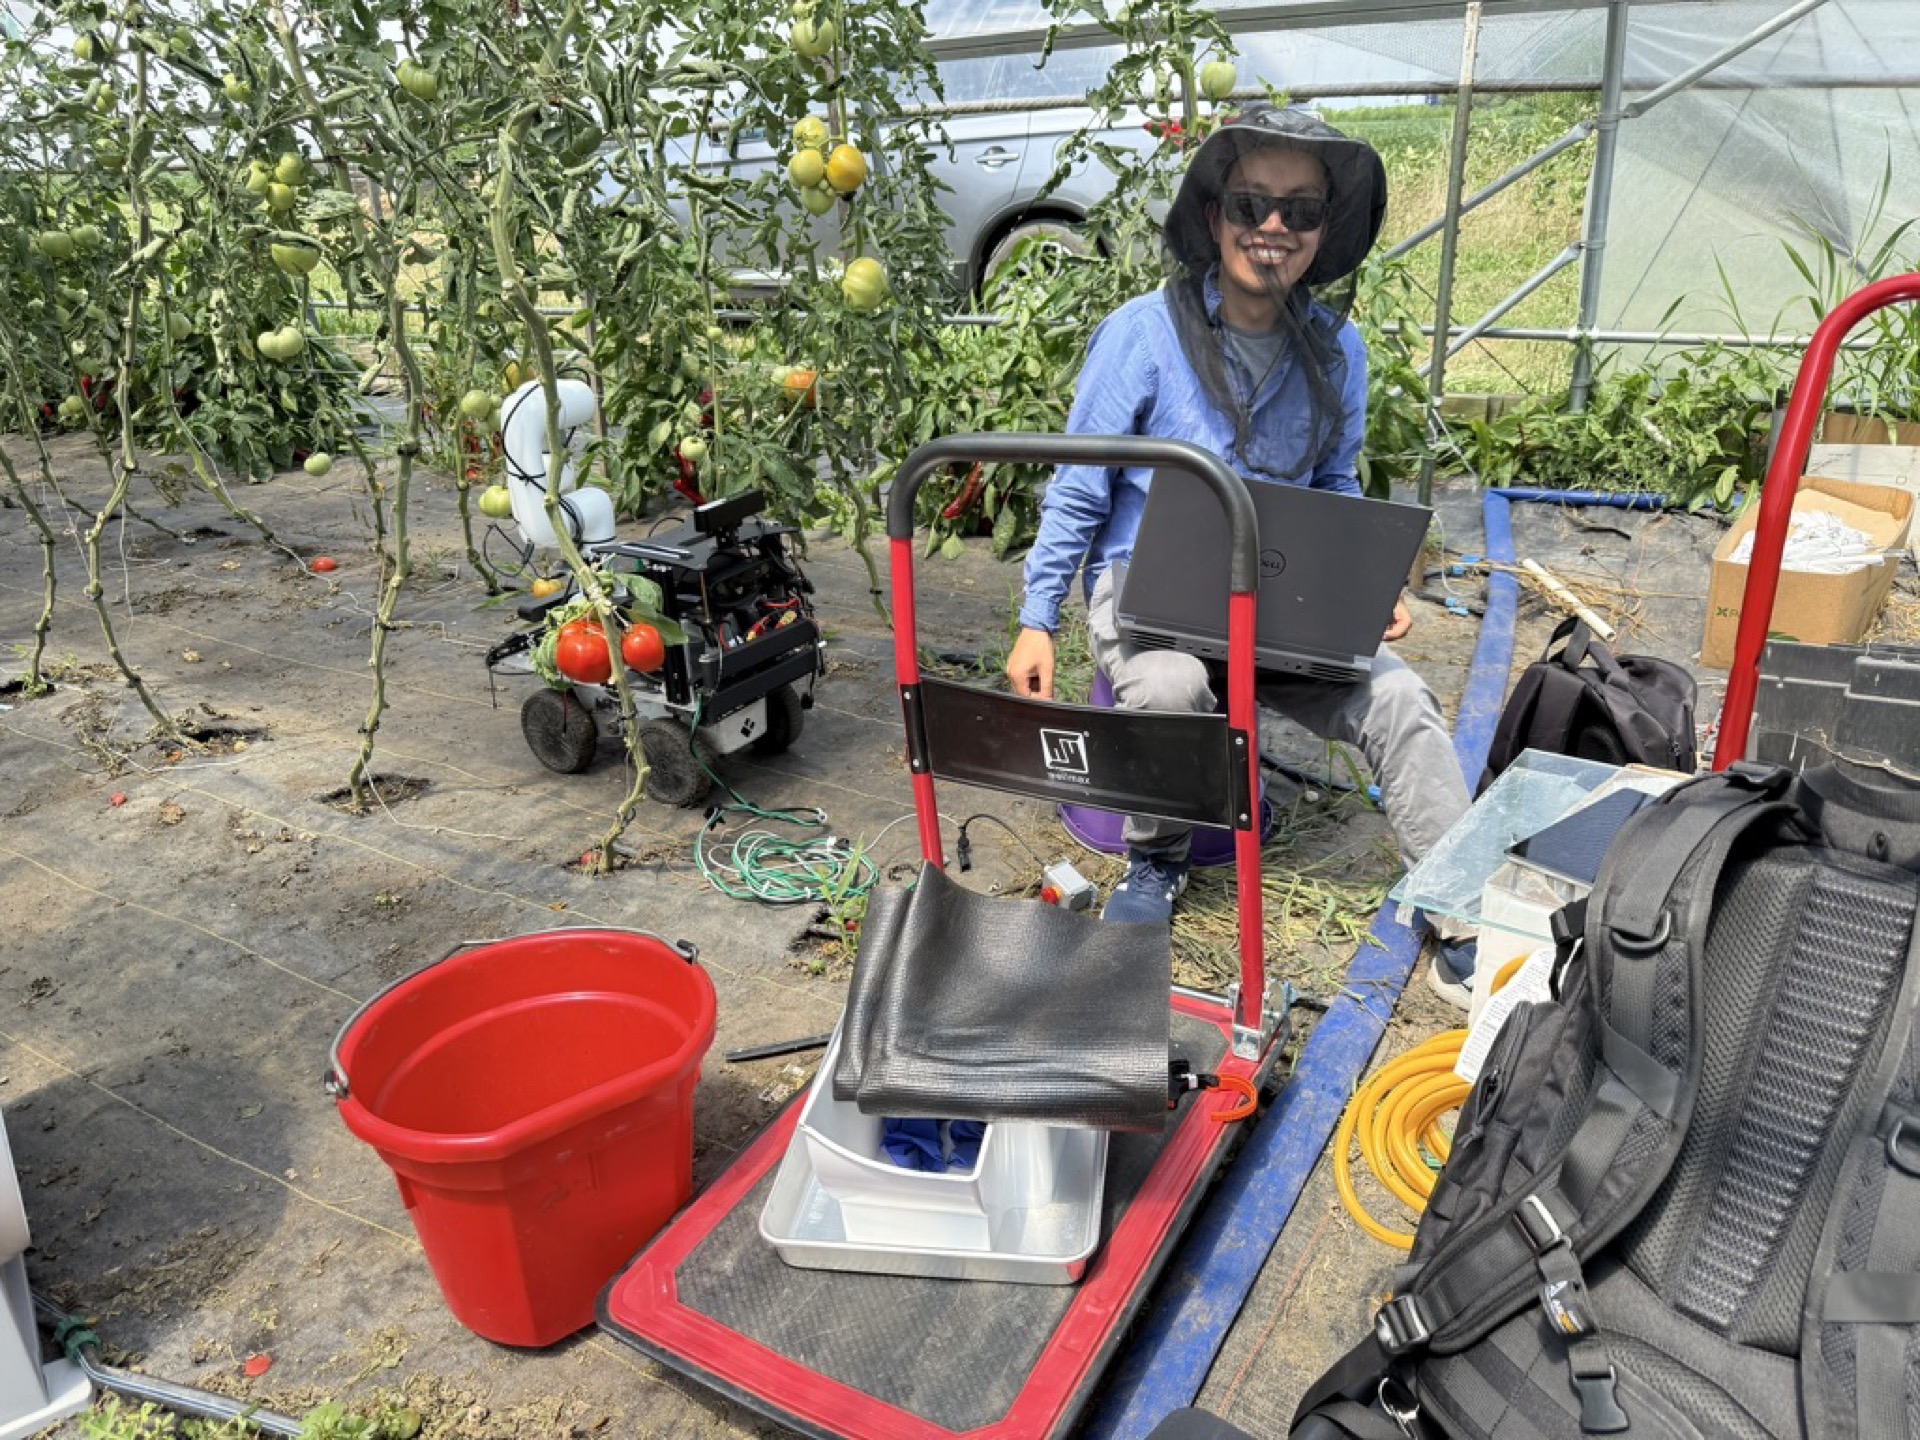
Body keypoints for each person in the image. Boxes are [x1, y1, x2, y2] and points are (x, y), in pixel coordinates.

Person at [1004, 103, 1478, 1007]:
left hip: (1277, 599)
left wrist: (1364, 580)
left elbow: (1334, 481)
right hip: (1148, 593)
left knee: (1401, 698)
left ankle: (1460, 916)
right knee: (1168, 686)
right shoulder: (1143, 334)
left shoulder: (1336, 351)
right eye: (1253, 204)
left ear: (1324, 230)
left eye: (1301, 211)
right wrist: (1035, 618)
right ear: (1216, 214)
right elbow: (1079, 484)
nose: (1274, 228)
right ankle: (1156, 862)